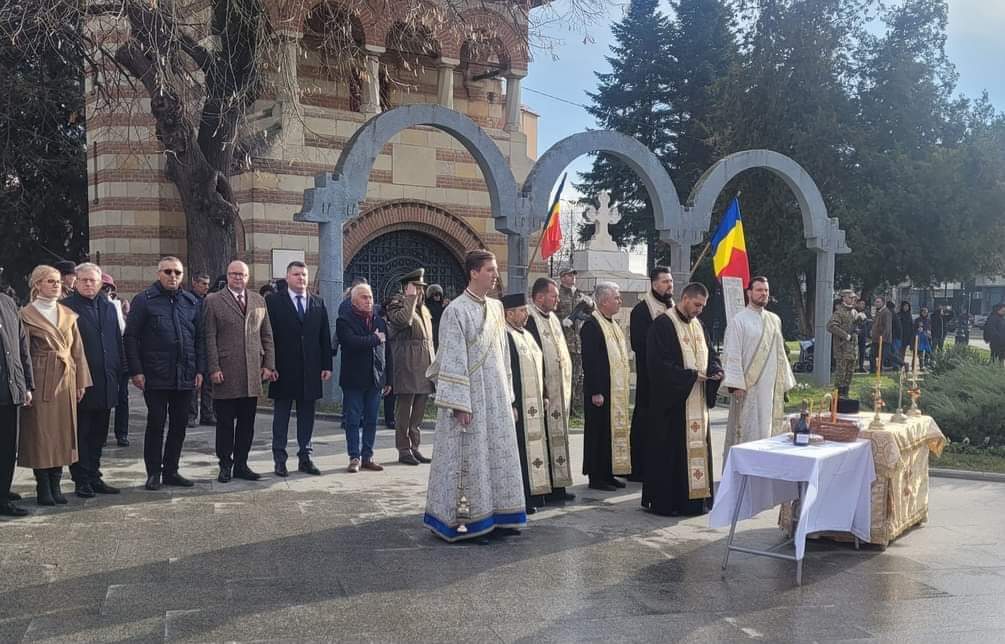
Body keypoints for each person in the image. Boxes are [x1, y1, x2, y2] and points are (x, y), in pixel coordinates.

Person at [423, 250, 526, 542]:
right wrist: (459, 404)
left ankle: (501, 516)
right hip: (469, 400)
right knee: (472, 459)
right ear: (474, 273)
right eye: (490, 270)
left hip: (495, 398)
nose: (496, 275)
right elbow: (453, 358)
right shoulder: (455, 310)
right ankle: (469, 523)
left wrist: (510, 398)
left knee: (497, 457)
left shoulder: (496, 308)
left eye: (496, 270)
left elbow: (503, 356)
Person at [643, 282, 723, 516]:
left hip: (697, 401)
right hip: (673, 404)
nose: (700, 310)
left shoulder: (699, 325)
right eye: (697, 304)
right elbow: (657, 365)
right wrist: (689, 376)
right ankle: (668, 502)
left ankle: (695, 501)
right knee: (671, 453)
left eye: (703, 306)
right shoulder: (663, 324)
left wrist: (716, 370)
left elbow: (711, 354)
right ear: (685, 299)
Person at [125, 256, 204, 490]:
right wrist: (136, 371)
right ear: (158, 273)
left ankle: (172, 470)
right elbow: (130, 337)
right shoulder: (144, 300)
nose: (173, 276)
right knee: (157, 423)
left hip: (185, 374)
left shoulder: (191, 302)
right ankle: (153, 473)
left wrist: (200, 369)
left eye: (177, 272)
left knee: (180, 424)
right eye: (168, 271)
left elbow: (198, 338)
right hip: (155, 374)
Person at [18, 265, 91, 506]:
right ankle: (43, 485)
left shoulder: (67, 314)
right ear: (37, 284)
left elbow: (77, 351)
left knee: (63, 431)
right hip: (40, 379)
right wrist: (25, 385)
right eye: (50, 281)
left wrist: (81, 382)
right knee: (41, 433)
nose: (56, 284)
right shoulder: (26, 315)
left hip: (65, 380)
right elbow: (22, 353)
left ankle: (57, 482)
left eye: (58, 281)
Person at [204, 260, 276, 483]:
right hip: (226, 371)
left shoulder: (258, 300)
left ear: (248, 277)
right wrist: (214, 367)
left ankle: (242, 464)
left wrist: (269, 365)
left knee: (247, 423)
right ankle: (225, 464)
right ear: (227, 276)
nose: (238, 278)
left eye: (242, 275)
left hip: (252, 372)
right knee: (225, 423)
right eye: (234, 274)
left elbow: (267, 336)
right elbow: (209, 337)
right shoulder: (213, 300)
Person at [63, 263, 124, 498]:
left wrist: (120, 371)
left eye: (93, 280)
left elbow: (116, 341)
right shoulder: (67, 308)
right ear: (75, 282)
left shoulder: (108, 307)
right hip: (81, 383)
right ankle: (81, 479)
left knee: (100, 434)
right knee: (82, 434)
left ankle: (95, 475)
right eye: (84, 280)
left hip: (107, 380)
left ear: (101, 283)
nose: (89, 284)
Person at [266, 261, 332, 477]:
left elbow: (324, 337)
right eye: (296, 274)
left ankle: (305, 456)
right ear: (287, 277)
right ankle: (279, 458)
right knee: (281, 417)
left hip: (310, 370)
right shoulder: (273, 302)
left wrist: (326, 365)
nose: (301, 278)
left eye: (304, 274)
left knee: (307, 416)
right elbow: (268, 337)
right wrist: (269, 365)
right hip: (283, 370)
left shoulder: (318, 302)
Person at [721, 277, 795, 466]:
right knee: (748, 432)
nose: (763, 294)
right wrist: (735, 384)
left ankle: (767, 473)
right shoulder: (739, 321)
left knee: (769, 430)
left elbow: (780, 353)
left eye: (766, 291)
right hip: (748, 388)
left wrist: (783, 383)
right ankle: (744, 474)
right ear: (749, 293)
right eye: (759, 290)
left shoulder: (774, 319)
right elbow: (733, 353)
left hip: (771, 389)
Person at [524, 277, 575, 503]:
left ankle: (558, 486)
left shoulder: (553, 318)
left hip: (559, 392)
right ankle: (543, 488)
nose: (557, 300)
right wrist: (543, 390)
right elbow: (533, 356)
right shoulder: (530, 318)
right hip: (543, 393)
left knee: (559, 437)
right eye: (553, 296)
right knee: (542, 440)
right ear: (539, 297)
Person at [580, 281, 631, 491]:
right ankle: (596, 476)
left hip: (615, 391)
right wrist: (596, 391)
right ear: (603, 301)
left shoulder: (613, 323)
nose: (620, 301)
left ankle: (608, 472)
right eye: (616, 298)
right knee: (598, 433)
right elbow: (591, 361)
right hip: (600, 392)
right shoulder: (592, 325)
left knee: (610, 433)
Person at [504, 292, 552, 515]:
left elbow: (538, 365)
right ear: (509, 313)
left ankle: (535, 494)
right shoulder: (505, 336)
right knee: (520, 450)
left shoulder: (527, 334)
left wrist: (544, 393)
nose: (526, 315)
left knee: (534, 448)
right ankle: (521, 497)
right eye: (522, 311)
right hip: (519, 404)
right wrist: (511, 402)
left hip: (533, 403)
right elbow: (507, 372)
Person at [627, 266, 674, 483]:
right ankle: (639, 468)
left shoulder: (672, 306)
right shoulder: (641, 310)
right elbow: (639, 343)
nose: (669, 285)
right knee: (645, 419)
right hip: (649, 375)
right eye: (665, 282)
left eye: (671, 281)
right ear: (654, 284)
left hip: (669, 376)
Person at [336, 283, 388, 473]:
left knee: (372, 420)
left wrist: (386, 379)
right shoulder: (345, 320)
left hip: (375, 379)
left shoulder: (379, 321)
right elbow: (351, 342)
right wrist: (374, 339)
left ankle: (368, 456)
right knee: (353, 420)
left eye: (371, 297)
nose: (369, 301)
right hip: (353, 380)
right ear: (354, 300)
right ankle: (354, 457)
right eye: (364, 297)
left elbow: (385, 351)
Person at [386, 268, 435, 466]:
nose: (420, 292)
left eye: (422, 288)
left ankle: (415, 446)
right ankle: (403, 449)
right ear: (407, 287)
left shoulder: (423, 309)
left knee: (419, 411)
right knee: (405, 411)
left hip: (424, 366)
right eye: (416, 287)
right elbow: (402, 321)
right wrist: (409, 298)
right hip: (407, 365)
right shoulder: (398, 304)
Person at [0, 290, 34, 517]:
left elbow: (22, 346)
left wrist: (27, 385)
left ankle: (3, 493)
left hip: (10, 389)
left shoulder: (8, 302)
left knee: (7, 447)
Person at [102, 272, 132, 446]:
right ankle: (102, 434)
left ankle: (122, 433)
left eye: (109, 289)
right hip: (102, 360)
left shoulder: (117, 307)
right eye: (103, 288)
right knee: (104, 398)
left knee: (122, 397)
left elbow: (123, 332)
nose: (106, 292)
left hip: (120, 359)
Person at [556, 269, 585, 417]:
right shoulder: (557, 294)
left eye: (574, 275)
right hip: (564, 342)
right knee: (566, 376)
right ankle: (565, 405)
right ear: (562, 278)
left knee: (577, 376)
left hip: (578, 342)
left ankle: (574, 405)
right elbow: (551, 316)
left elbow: (588, 312)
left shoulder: (579, 295)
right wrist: (562, 322)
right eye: (569, 275)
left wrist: (590, 304)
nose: (573, 277)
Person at [188, 272, 215, 428]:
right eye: (203, 283)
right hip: (194, 345)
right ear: (195, 283)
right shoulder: (188, 300)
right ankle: (191, 415)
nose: (206, 287)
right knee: (194, 383)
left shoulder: (208, 300)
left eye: (207, 284)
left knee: (209, 383)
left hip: (208, 345)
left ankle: (207, 414)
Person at [827, 289, 861, 398]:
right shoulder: (839, 312)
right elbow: (831, 326)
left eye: (853, 298)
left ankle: (845, 393)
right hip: (842, 348)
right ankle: (838, 395)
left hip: (852, 348)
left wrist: (858, 329)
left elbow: (855, 326)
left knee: (850, 373)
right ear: (844, 298)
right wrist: (845, 335)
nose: (853, 300)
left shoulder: (854, 312)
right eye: (850, 297)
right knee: (841, 373)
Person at [871, 296, 893, 372]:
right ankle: (874, 370)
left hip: (883, 339)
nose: (876, 303)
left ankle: (902, 364)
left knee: (884, 355)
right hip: (876, 338)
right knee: (873, 355)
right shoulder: (878, 311)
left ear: (883, 303)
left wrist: (883, 338)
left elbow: (887, 327)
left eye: (878, 302)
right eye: (875, 302)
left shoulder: (886, 312)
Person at [426, 283, 446, 349]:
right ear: (431, 295)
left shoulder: (441, 304)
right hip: (433, 329)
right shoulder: (429, 305)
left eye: (439, 294)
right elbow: (436, 315)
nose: (438, 296)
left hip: (442, 330)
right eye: (436, 294)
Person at [855, 299, 871, 372]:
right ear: (857, 304)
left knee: (862, 351)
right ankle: (855, 366)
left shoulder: (866, 313)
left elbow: (868, 323)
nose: (862, 305)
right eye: (861, 304)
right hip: (856, 334)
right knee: (855, 351)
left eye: (863, 304)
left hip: (863, 335)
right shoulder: (854, 312)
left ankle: (861, 366)